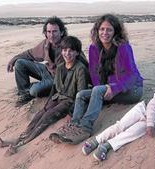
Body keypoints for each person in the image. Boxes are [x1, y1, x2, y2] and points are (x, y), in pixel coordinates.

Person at [50, 14, 143, 144]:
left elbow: (133, 76)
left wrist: (113, 88)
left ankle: (85, 128)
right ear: (97, 30)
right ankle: (74, 124)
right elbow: (94, 73)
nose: (105, 33)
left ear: (115, 31)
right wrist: (101, 88)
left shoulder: (123, 47)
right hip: (108, 87)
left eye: (109, 29)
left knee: (97, 90)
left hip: (132, 90)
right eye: (102, 29)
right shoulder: (94, 48)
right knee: (81, 94)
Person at [0, 36, 89, 155]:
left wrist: (71, 113)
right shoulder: (61, 67)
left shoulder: (80, 69)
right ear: (61, 51)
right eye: (65, 50)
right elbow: (55, 88)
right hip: (58, 98)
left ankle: (21, 143)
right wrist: (48, 103)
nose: (67, 53)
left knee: (47, 117)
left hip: (69, 102)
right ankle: (20, 137)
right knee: (39, 114)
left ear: (77, 52)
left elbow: (80, 95)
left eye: (71, 50)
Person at [7, 16, 88, 106]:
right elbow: (30, 53)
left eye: (55, 31)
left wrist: (91, 84)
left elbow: (85, 64)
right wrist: (13, 59)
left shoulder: (69, 44)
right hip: (46, 70)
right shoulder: (45, 43)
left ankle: (32, 90)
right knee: (20, 63)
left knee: (35, 91)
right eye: (49, 32)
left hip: (57, 79)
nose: (51, 35)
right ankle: (24, 93)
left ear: (61, 32)